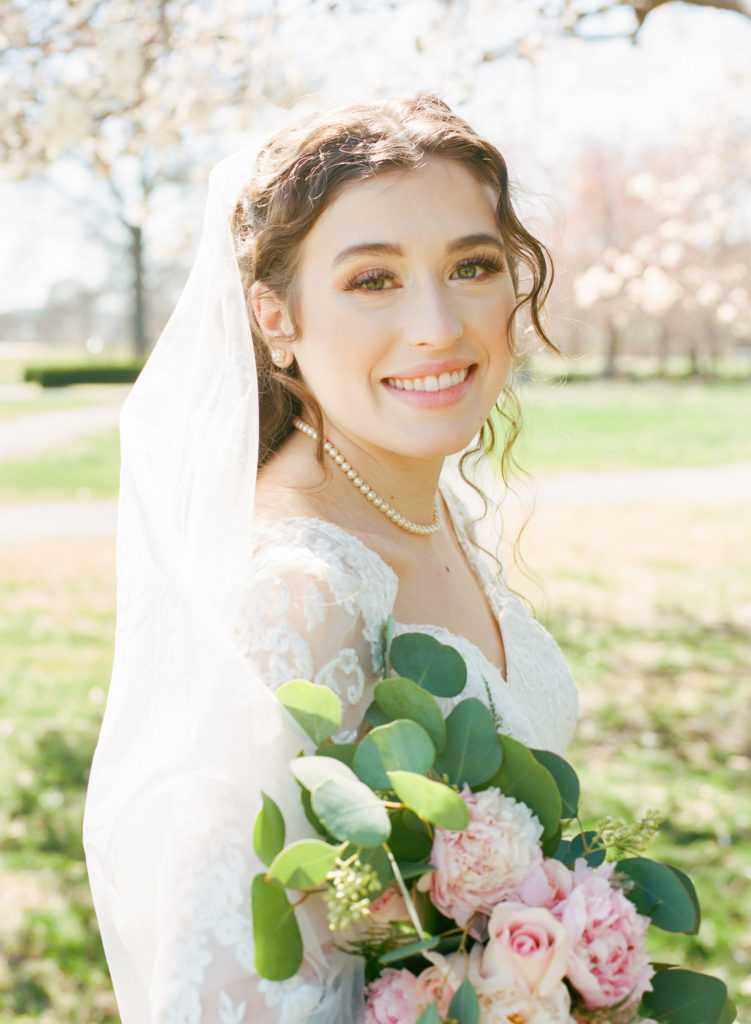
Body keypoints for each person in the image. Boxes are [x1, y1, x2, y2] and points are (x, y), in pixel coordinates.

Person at [83, 94, 578, 1024]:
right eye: (372, 279)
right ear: (275, 319)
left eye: (470, 266)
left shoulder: (420, 510)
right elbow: (219, 996)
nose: (438, 324)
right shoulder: (294, 596)